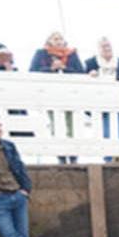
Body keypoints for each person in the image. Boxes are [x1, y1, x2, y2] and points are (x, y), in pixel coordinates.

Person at [30, 32, 83, 163]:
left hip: (70, 94)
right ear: (49, 41)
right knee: (55, 124)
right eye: (55, 38)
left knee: (72, 124)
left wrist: (64, 68)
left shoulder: (72, 54)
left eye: (60, 38)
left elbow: (80, 72)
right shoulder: (41, 53)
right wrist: (51, 68)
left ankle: (73, 154)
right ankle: (60, 154)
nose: (58, 41)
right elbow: (33, 71)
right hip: (51, 94)